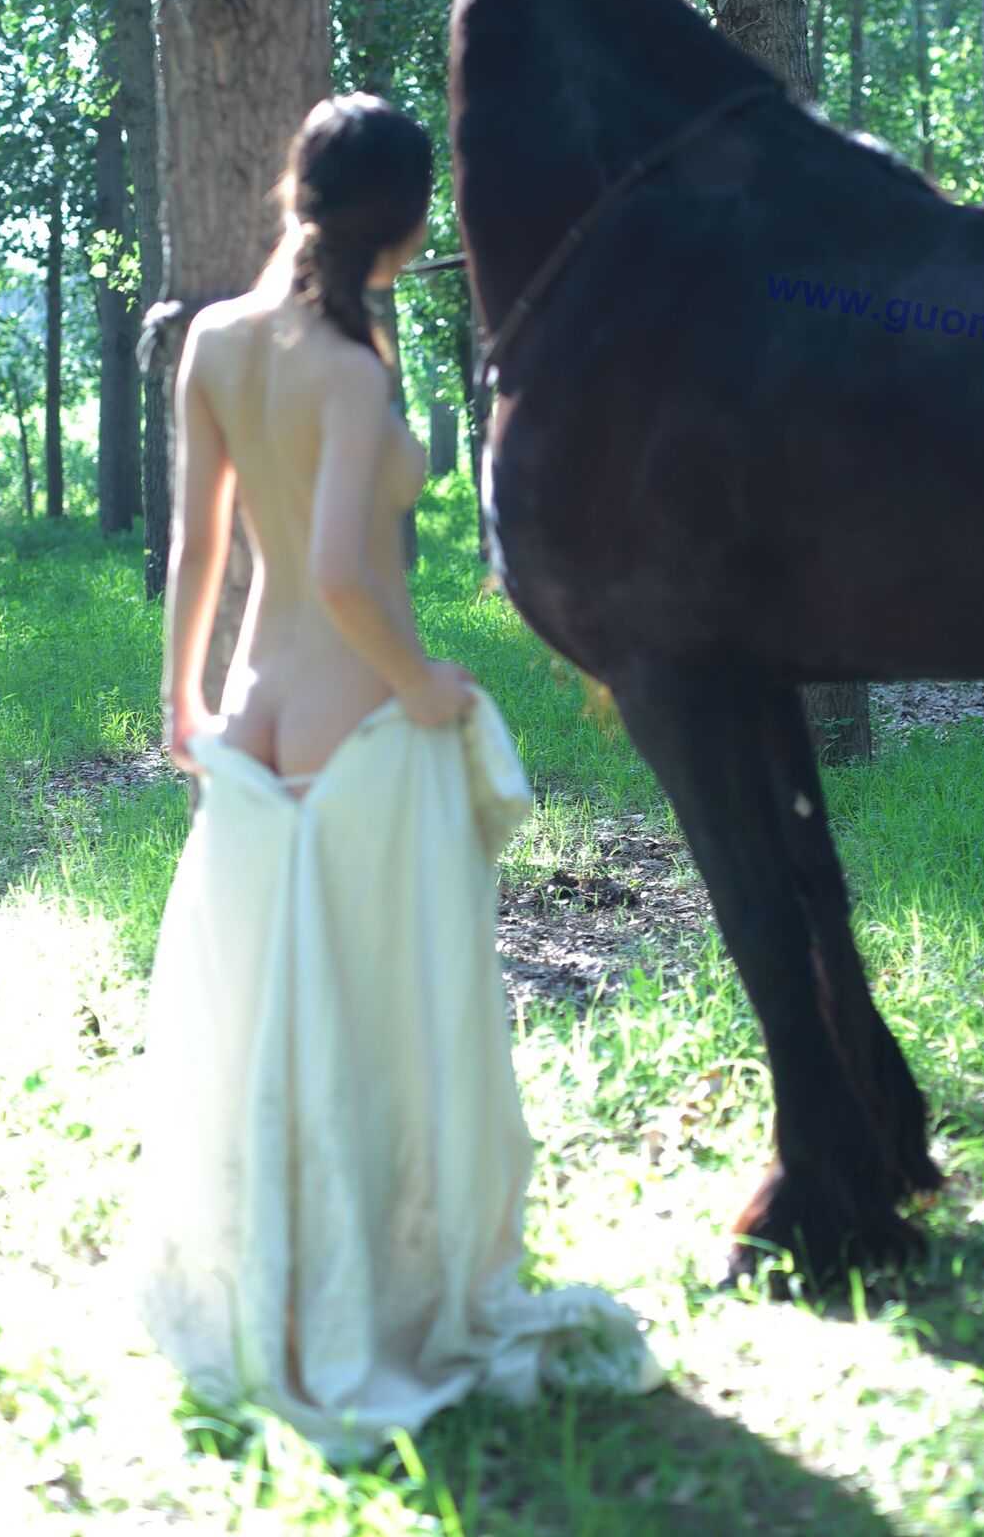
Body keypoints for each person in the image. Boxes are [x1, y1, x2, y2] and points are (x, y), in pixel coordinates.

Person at [129, 94, 662, 1463]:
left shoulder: (214, 341)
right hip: (358, 723)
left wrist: (183, 698)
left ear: (295, 189)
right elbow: (340, 574)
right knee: (386, 1023)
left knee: (279, 1028)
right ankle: (377, 1291)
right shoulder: (352, 369)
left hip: (251, 719)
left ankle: (289, 1285)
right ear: (412, 225)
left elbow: (199, 546)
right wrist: (426, 685)